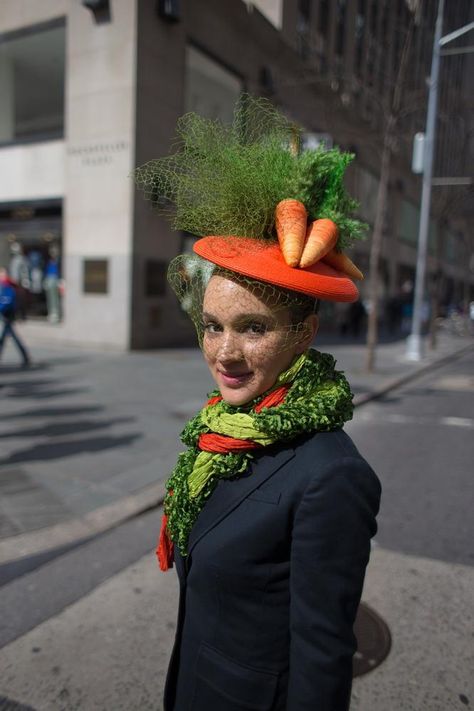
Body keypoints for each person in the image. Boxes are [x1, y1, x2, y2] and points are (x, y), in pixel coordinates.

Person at [135, 97, 381, 710]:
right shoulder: (218, 433)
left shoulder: (332, 475)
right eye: (213, 325)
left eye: (253, 327)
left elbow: (323, 655)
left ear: (304, 332)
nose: (226, 353)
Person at [0, 267, 31, 367]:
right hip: (7, 314)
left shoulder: (8, 285)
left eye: (2, 273)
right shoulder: (5, 285)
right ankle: (25, 356)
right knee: (7, 337)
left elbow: (6, 301)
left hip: (8, 314)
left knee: (9, 337)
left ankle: (25, 356)